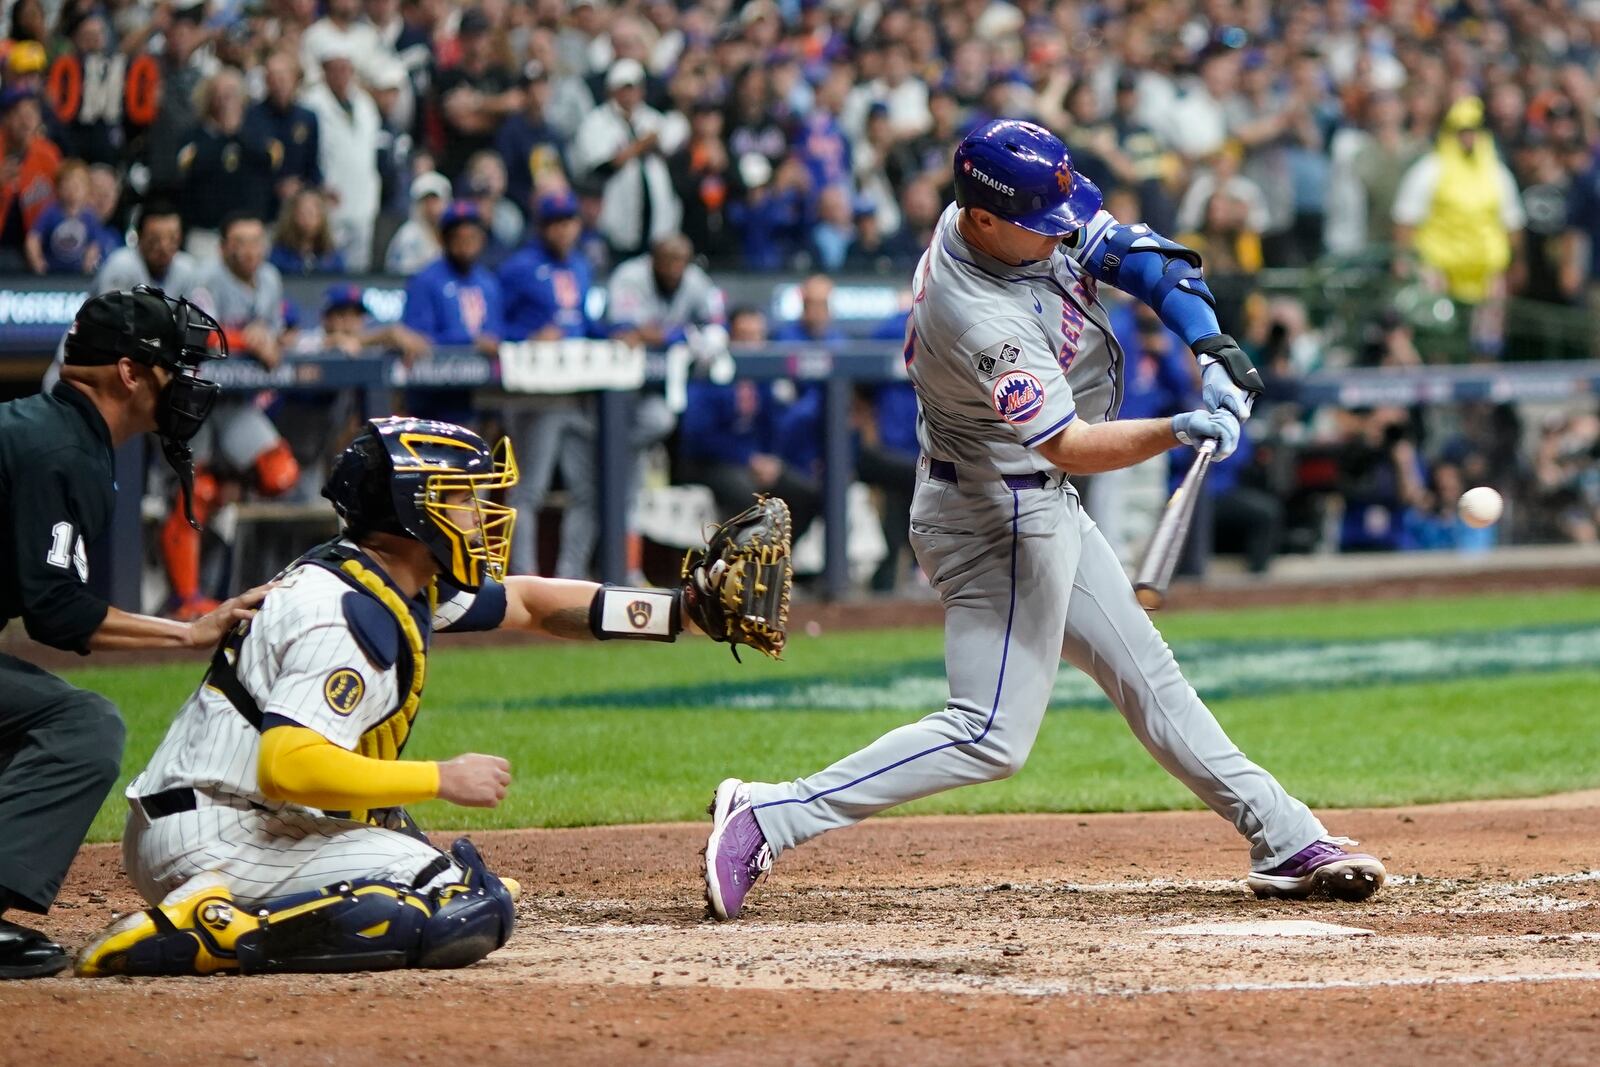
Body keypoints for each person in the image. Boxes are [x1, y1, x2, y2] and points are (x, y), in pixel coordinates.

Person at [704, 119, 1386, 921]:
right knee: (989, 731)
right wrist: (1177, 429)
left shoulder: (1008, 217)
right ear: (984, 220)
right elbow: (1065, 444)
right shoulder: (974, 312)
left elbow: (1142, 257)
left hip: (1030, 497)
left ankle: (1284, 834)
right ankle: (768, 813)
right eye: (1043, 227)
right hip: (994, 510)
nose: (1063, 236)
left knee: (1148, 678)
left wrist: (1211, 349)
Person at [73, 415, 766, 978]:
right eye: (459, 498)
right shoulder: (346, 612)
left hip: (213, 816)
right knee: (469, 905)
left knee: (405, 838)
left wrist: (683, 613)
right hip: (216, 834)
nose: (479, 512)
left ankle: (236, 902)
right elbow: (287, 764)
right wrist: (442, 777)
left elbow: (530, 602)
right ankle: (217, 931)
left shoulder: (385, 579)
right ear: (411, 512)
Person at [0, 286, 267, 979]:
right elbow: (56, 612)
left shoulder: (48, 431)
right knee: (80, 726)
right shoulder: (62, 446)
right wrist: (186, 633)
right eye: (175, 367)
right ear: (128, 372)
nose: (186, 385)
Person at [497, 188, 601, 578]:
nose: (563, 230)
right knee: (529, 490)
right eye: (555, 223)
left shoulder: (580, 265)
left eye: (569, 221)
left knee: (589, 490)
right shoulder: (518, 267)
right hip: (534, 393)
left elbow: (583, 323)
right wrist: (526, 339)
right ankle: (524, 576)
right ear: (542, 227)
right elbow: (493, 328)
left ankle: (569, 576)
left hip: (577, 390)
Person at [1392, 97, 1526, 358]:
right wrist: (1404, 260)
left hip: (1485, 273)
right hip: (1438, 272)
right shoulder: (1430, 169)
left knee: (1486, 344)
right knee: (1438, 339)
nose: (1468, 137)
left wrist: (1517, 264)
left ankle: (1481, 397)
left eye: (1474, 130)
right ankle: (1439, 394)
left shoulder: (1497, 173)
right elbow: (1405, 220)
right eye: (1461, 130)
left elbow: (1512, 223)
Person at [570, 58, 684, 261]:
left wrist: (653, 145)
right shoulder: (597, 122)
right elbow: (600, 166)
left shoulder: (651, 118)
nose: (629, 94)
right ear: (611, 90)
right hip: (615, 219)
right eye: (624, 88)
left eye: (634, 88)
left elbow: (672, 145)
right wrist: (641, 145)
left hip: (656, 219)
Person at [176, 69, 282, 258]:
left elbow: (269, 161)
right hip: (207, 233)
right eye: (220, 94)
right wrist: (223, 135)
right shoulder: (194, 136)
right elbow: (190, 168)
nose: (226, 100)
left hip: (250, 231)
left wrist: (237, 133)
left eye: (232, 93)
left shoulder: (259, 133)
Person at [302, 42, 382, 271]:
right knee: (327, 261)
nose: (341, 74)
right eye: (335, 68)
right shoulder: (312, 103)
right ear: (324, 71)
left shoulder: (365, 103)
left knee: (359, 265)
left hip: (363, 199)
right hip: (330, 199)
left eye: (346, 68)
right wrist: (318, 186)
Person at [402, 200, 503, 356]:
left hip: (488, 373)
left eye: (471, 237)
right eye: (458, 237)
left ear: (482, 239)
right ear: (443, 240)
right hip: (440, 372)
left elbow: (498, 332)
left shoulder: (489, 283)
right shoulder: (425, 281)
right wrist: (469, 342)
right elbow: (418, 339)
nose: (465, 245)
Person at [25, 158, 107, 275]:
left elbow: (95, 244)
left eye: (78, 184)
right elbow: (33, 238)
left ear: (87, 188)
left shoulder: (90, 216)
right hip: (51, 273)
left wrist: (88, 264)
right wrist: (38, 262)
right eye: (67, 184)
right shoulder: (50, 212)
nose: (73, 189)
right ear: (58, 188)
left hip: (79, 276)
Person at [384, 170, 451, 274]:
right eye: (426, 201)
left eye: (435, 200)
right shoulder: (409, 235)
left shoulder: (453, 233)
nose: (431, 207)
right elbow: (404, 276)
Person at [269, 188, 345, 275]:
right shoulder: (278, 254)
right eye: (302, 214)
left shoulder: (333, 256)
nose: (307, 219)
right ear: (292, 217)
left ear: (322, 218)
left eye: (312, 214)